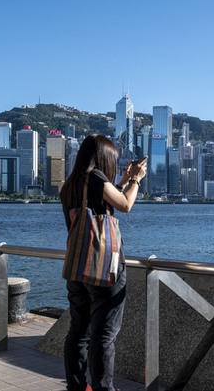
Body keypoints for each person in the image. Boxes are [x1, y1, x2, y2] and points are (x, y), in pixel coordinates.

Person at [59, 134, 147, 391]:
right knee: (104, 334)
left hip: (77, 266)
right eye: (113, 160)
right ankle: (103, 388)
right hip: (103, 267)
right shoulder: (95, 177)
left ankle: (76, 386)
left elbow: (101, 201)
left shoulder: (71, 184)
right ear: (103, 158)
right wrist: (135, 180)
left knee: (79, 330)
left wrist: (121, 181)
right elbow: (125, 204)